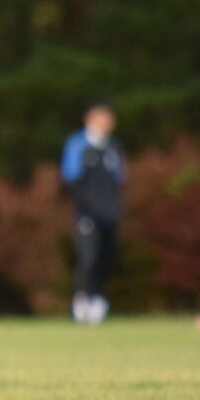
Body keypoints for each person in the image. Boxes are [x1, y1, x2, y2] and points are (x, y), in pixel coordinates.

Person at [61, 102, 126, 325]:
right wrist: (86, 205)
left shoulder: (113, 147)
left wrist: (116, 208)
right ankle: (82, 302)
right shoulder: (78, 145)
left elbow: (118, 180)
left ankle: (99, 301)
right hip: (87, 213)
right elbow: (71, 178)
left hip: (109, 214)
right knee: (88, 258)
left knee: (105, 260)